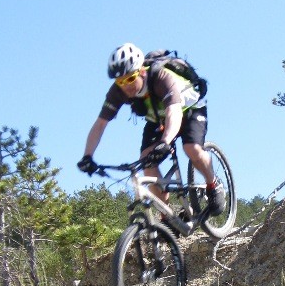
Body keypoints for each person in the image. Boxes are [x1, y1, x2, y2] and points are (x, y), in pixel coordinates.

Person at [77, 42, 226, 214]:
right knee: (147, 161)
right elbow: (100, 123)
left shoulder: (161, 77)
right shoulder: (117, 92)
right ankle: (167, 217)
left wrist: (166, 141)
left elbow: (174, 111)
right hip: (158, 119)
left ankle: (213, 184)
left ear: (141, 71)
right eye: (120, 81)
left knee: (191, 148)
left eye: (130, 78)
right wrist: (87, 156)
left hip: (188, 109)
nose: (126, 85)